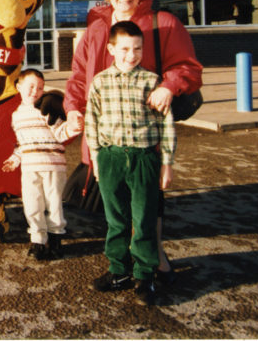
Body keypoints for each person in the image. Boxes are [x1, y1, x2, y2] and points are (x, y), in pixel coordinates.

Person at [60, 0, 202, 285]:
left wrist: (169, 86)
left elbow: (188, 67)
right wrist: (73, 109)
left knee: (148, 202)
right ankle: (123, 267)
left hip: (144, 132)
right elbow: (80, 77)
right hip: (108, 134)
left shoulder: (162, 23)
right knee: (117, 206)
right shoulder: (96, 30)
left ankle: (153, 264)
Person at [85, 21, 176, 305]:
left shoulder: (152, 82)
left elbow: (167, 124)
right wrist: (97, 159)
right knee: (116, 219)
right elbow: (92, 121)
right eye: (124, 48)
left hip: (144, 158)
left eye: (137, 48)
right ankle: (119, 271)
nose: (130, 55)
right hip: (111, 157)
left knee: (144, 218)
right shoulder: (100, 82)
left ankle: (145, 276)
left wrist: (167, 163)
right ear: (111, 49)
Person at [3, 69, 80, 260]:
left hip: (53, 165)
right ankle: (38, 240)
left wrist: (73, 127)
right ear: (18, 87)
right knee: (32, 204)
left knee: (54, 204)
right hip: (29, 168)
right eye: (30, 86)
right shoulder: (15, 116)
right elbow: (22, 144)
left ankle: (55, 239)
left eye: (40, 87)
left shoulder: (46, 109)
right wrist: (14, 159)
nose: (34, 91)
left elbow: (61, 133)